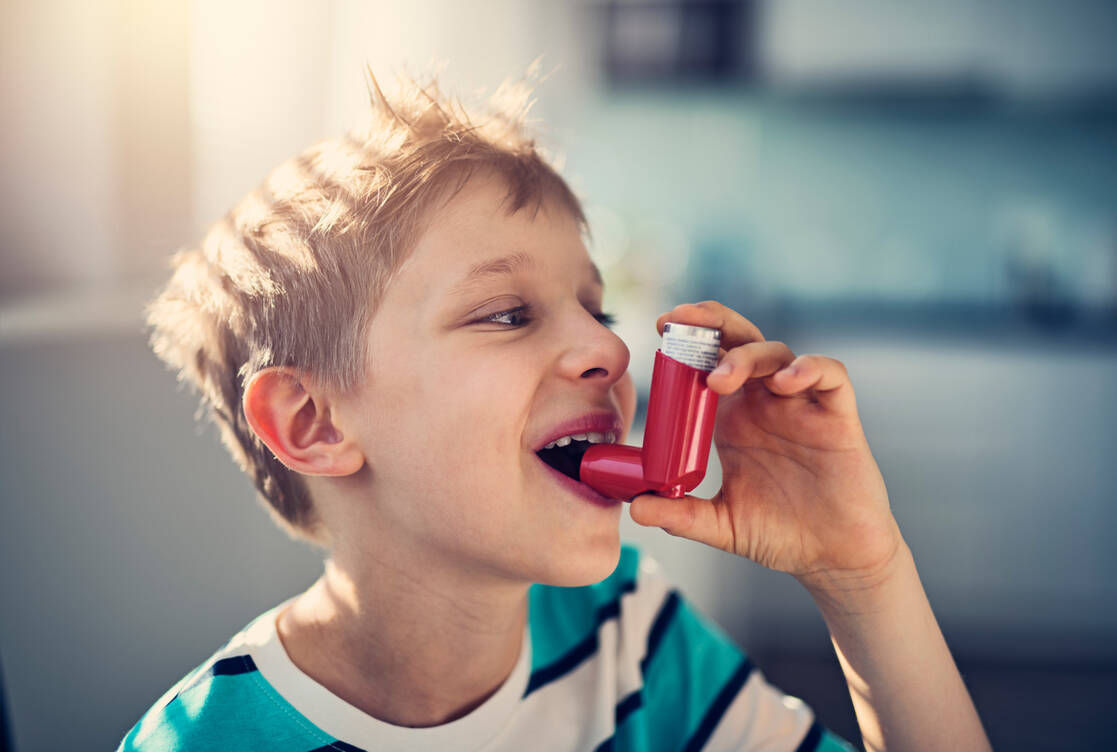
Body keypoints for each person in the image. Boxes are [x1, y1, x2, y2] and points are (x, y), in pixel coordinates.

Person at [118, 72, 991, 751]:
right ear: (314, 423)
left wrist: (860, 575)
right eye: (506, 314)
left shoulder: (629, 643)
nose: (612, 351)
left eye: (596, 309)